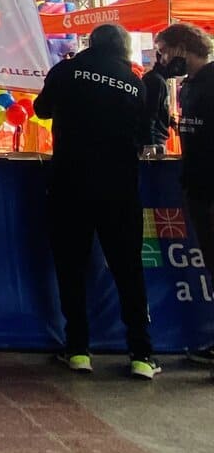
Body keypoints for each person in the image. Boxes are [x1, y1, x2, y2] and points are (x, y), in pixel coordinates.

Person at [33, 23, 160, 379]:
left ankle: (78, 350)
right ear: (123, 48)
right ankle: (141, 354)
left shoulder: (66, 71)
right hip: (119, 188)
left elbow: (41, 110)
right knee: (128, 269)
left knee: (71, 267)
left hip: (69, 183)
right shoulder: (134, 83)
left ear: (91, 43)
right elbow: (142, 132)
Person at [153, 23, 214, 365]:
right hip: (199, 187)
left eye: (163, 51)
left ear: (181, 49)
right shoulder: (188, 87)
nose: (161, 59)